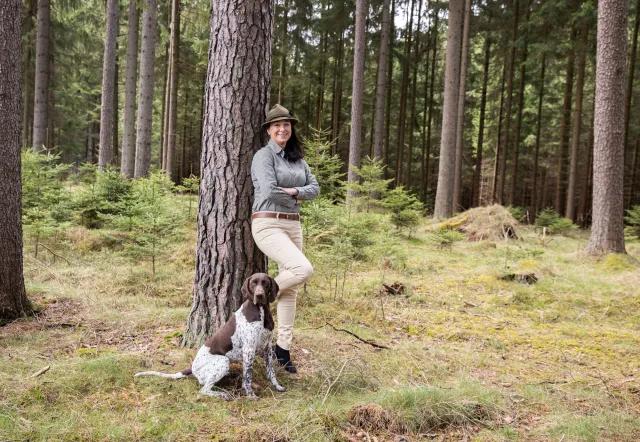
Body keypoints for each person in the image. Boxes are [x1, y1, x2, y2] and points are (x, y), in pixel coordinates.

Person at [250, 104, 320, 373]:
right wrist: (296, 194)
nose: (282, 129)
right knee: (303, 269)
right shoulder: (263, 156)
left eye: (286, 125)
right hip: (267, 223)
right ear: (269, 130)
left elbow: (315, 188)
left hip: (293, 226)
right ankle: (256, 299)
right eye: (277, 125)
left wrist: (292, 190)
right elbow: (268, 189)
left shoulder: (298, 159)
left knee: (290, 289)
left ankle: (283, 349)